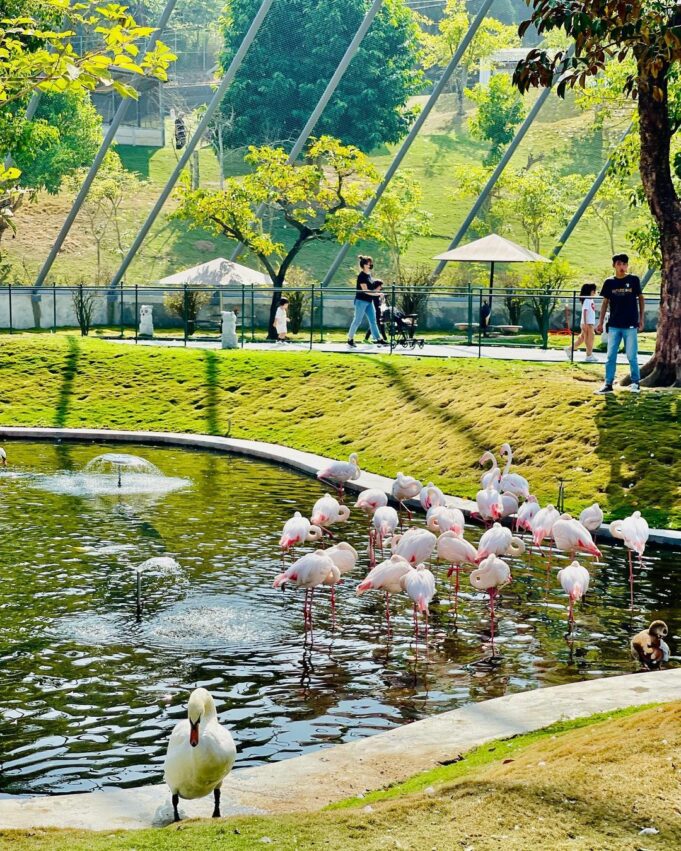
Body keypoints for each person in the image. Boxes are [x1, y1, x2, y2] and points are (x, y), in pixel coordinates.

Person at [595, 253, 644, 393]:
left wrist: (641, 319)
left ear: (627, 265)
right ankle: (608, 384)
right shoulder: (609, 282)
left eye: (624, 264)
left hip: (630, 325)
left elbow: (641, 298)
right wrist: (600, 322)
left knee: (631, 355)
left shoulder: (634, 280)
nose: (622, 267)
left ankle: (635, 383)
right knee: (610, 356)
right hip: (614, 325)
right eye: (619, 264)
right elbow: (605, 302)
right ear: (614, 266)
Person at [347, 256, 385, 348]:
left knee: (373, 321)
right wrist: (377, 294)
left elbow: (371, 289)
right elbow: (366, 291)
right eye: (368, 263)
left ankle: (379, 339)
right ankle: (350, 339)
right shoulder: (361, 276)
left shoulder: (369, 275)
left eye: (370, 263)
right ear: (364, 265)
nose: (370, 265)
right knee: (357, 320)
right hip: (361, 301)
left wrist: (378, 290)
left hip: (369, 301)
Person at [564, 283, 598, 362]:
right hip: (587, 323)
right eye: (594, 291)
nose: (595, 292)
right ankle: (589, 355)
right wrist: (586, 323)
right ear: (590, 291)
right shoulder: (587, 300)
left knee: (582, 338)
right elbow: (585, 311)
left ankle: (569, 349)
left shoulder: (590, 300)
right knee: (589, 338)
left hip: (589, 322)